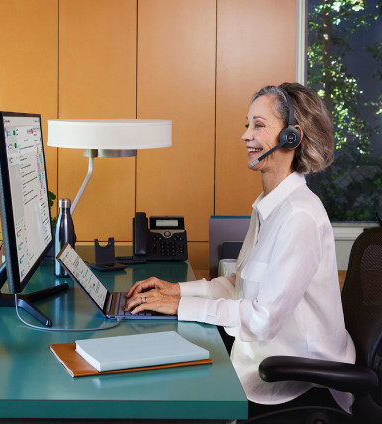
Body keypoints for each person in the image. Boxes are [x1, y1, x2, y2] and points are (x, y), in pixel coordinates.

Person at [124, 82, 356, 417]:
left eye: (259, 125)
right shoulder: (269, 206)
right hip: (257, 363)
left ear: (292, 137)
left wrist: (180, 307)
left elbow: (261, 320)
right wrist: (177, 291)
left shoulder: (299, 216)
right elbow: (239, 285)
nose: (246, 135)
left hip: (294, 383)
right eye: (247, 125)